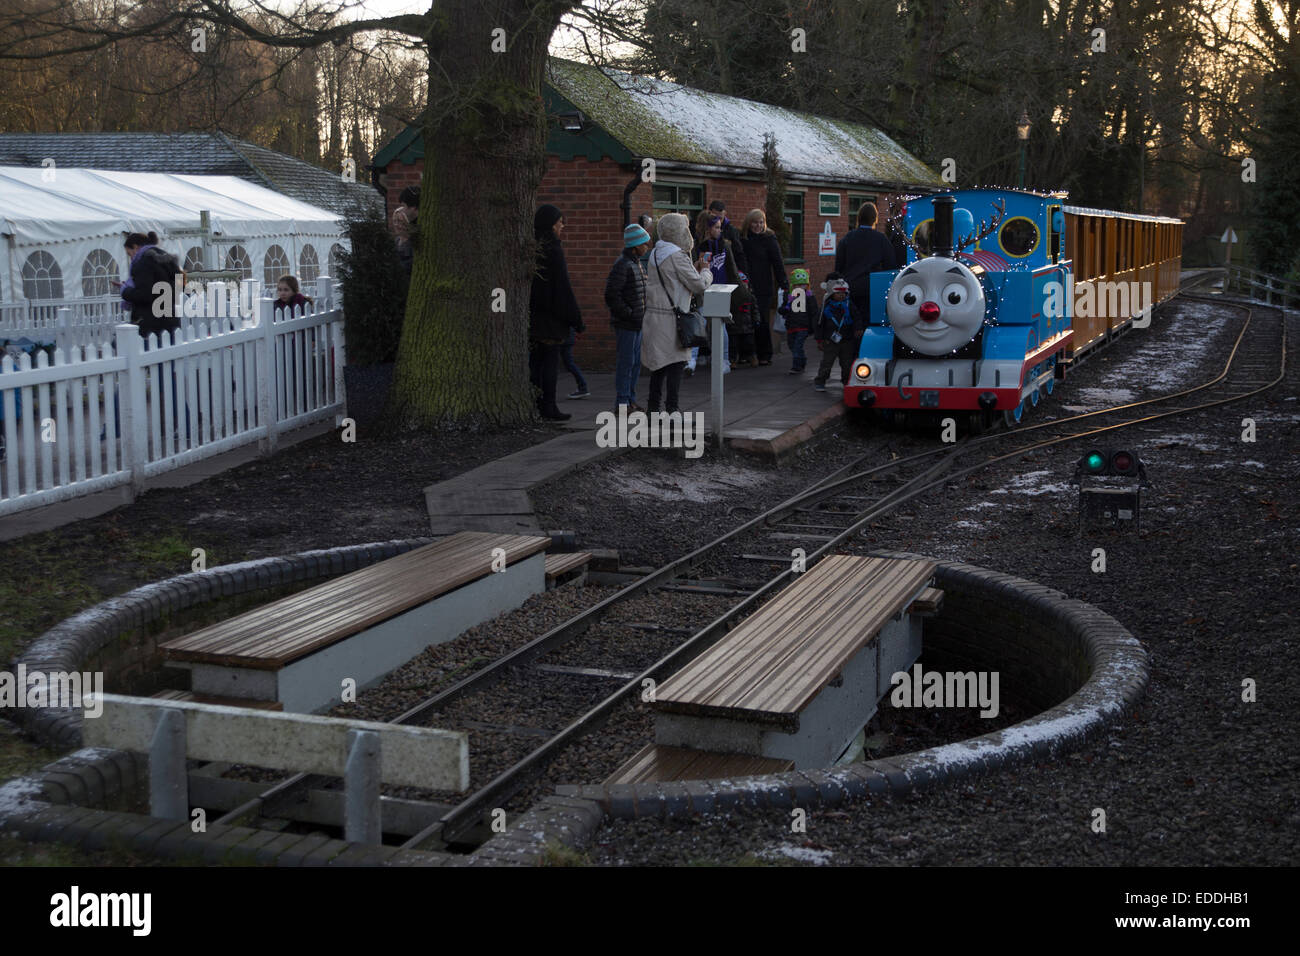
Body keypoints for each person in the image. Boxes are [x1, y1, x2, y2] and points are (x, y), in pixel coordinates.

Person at [644, 213, 711, 415]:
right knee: (676, 364)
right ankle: (673, 411)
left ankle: (653, 410)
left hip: (654, 316)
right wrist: (706, 271)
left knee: (658, 367)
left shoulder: (656, 253)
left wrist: (693, 267)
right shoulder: (677, 255)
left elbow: (673, 277)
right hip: (672, 318)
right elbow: (698, 285)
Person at [529, 204, 583, 421]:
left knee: (535, 363)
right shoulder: (555, 250)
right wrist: (576, 319)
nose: (562, 226)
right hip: (552, 320)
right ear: (552, 224)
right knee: (550, 364)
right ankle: (549, 406)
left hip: (534, 318)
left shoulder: (532, 248)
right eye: (560, 222)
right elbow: (563, 288)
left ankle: (535, 403)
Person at [690, 214, 750, 374]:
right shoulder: (697, 247)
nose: (719, 230)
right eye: (716, 227)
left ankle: (724, 360)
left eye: (720, 226)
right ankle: (692, 360)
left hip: (721, 290)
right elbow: (693, 270)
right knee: (700, 323)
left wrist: (741, 289)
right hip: (703, 290)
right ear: (708, 228)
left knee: (720, 325)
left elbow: (731, 267)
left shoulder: (725, 245)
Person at [605, 223, 652, 411]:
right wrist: (629, 314)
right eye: (645, 244)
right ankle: (623, 401)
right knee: (626, 363)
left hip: (636, 322)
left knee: (633, 364)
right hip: (628, 323)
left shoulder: (635, 264)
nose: (647, 247)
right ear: (636, 245)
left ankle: (630, 399)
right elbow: (611, 295)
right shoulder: (624, 265)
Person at [739, 209, 788, 366]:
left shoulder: (769, 239)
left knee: (762, 321)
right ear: (749, 223)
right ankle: (748, 353)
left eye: (761, 222)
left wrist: (784, 284)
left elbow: (778, 263)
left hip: (764, 287)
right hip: (746, 285)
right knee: (746, 321)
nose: (758, 225)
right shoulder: (743, 239)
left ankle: (765, 354)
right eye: (755, 222)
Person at [835, 200, 897, 322]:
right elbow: (891, 266)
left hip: (850, 289)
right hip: (873, 290)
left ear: (859, 217)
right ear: (875, 219)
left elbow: (838, 267)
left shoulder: (847, 238)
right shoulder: (881, 239)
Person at [119, 231, 182, 340]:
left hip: (149, 322)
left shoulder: (142, 263)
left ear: (135, 247)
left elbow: (144, 294)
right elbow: (179, 286)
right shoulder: (169, 259)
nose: (131, 258)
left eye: (129, 254)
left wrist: (125, 291)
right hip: (170, 319)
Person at [813, 274, 864, 392]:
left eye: (843, 293)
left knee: (847, 363)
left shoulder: (849, 305)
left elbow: (857, 317)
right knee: (827, 363)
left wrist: (858, 328)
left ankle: (846, 381)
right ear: (832, 294)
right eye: (838, 293)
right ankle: (820, 381)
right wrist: (819, 339)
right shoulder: (826, 307)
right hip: (830, 340)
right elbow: (819, 324)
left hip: (847, 340)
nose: (841, 295)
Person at [778, 267, 817, 375]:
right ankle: (802, 360)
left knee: (797, 346)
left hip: (803, 326)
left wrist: (813, 327)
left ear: (806, 285)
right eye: (797, 285)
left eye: (802, 285)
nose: (800, 287)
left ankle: (796, 367)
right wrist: (784, 309)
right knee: (791, 345)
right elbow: (781, 310)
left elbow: (814, 312)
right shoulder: (789, 298)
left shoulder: (809, 298)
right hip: (791, 326)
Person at [705, 199, 749, 274]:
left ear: (725, 214)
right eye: (715, 218)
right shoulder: (704, 230)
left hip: (726, 271)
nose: (717, 221)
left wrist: (742, 274)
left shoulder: (731, 231)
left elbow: (738, 254)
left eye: (720, 218)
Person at [393, 186, 419, 272]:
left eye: (404, 206)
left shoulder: (417, 229)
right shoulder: (397, 239)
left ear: (413, 207)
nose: (402, 209)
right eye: (395, 221)